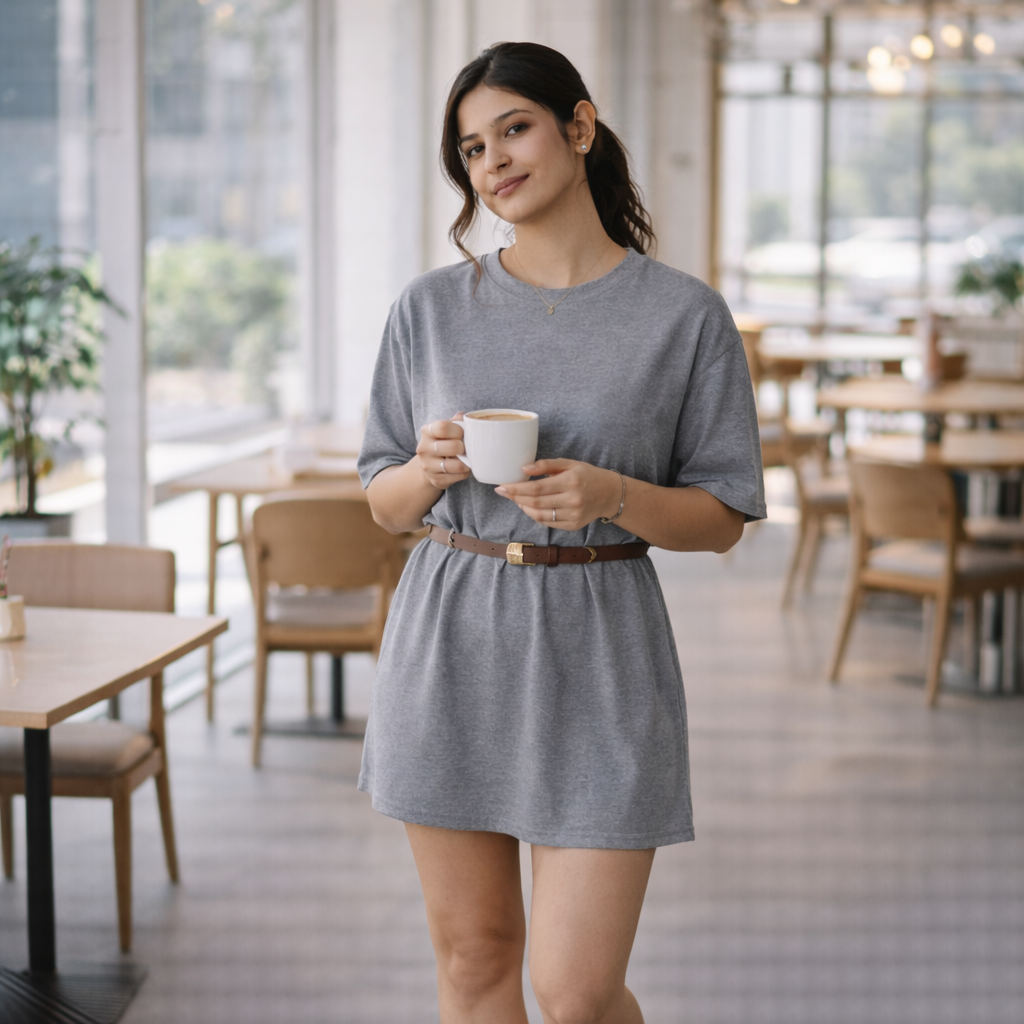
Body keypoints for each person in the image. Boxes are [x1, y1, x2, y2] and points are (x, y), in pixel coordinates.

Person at [358, 41, 765, 1024]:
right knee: (475, 959)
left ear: (578, 127)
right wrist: (429, 467)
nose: (493, 160)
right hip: (449, 638)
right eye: (470, 148)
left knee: (576, 993)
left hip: (601, 643)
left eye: (515, 128)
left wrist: (613, 496)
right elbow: (382, 497)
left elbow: (721, 519)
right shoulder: (427, 309)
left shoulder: (685, 317)